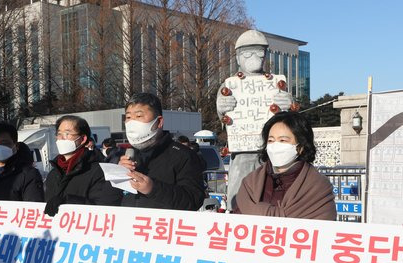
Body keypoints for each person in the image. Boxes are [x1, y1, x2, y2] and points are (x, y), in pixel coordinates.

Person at [216, 29, 293, 211]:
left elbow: (290, 121)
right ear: (237, 58)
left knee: (274, 195)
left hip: (272, 153)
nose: (254, 58)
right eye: (247, 53)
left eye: (259, 53)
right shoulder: (230, 85)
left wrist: (288, 105)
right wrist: (221, 107)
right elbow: (224, 118)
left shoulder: (276, 84)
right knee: (239, 195)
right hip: (242, 152)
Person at [235, 111, 337, 220]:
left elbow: (323, 229)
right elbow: (236, 221)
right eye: (271, 140)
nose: (275, 145)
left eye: (282, 140)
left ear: (300, 147)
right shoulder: (250, 182)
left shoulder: (317, 187)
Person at [118, 92, 205, 210]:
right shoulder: (126, 156)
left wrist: (153, 189)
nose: (132, 122)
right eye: (128, 117)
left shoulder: (183, 156)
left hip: (163, 226)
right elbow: (107, 200)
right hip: (131, 226)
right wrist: (117, 176)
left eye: (139, 116)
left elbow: (193, 200)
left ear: (159, 122)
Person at [44, 115, 122, 216]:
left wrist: (68, 201)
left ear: (83, 139)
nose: (61, 138)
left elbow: (104, 211)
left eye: (67, 133)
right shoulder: (53, 174)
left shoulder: (98, 172)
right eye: (59, 134)